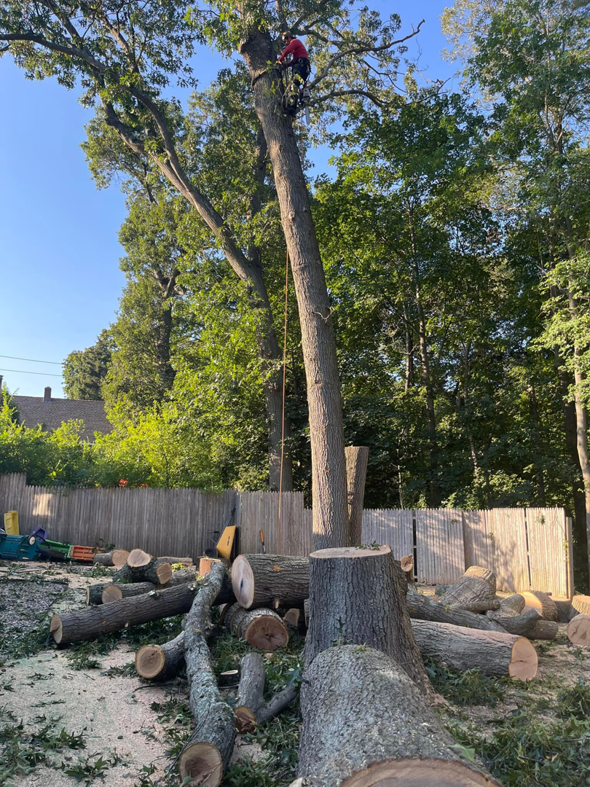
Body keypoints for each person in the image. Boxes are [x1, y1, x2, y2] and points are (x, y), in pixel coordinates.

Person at [278, 31, 311, 107]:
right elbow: (294, 60)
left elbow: (287, 50)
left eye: (285, 40)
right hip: (304, 68)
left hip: (301, 66)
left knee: (294, 84)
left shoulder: (295, 41)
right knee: (295, 84)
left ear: (289, 37)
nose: (285, 43)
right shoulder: (297, 51)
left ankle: (291, 105)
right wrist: (286, 66)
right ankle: (297, 103)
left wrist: (280, 59)